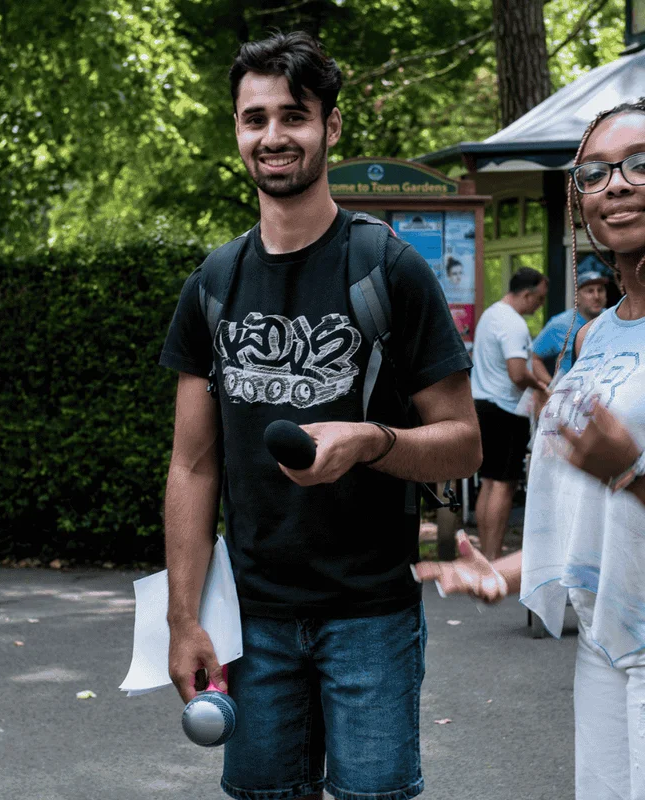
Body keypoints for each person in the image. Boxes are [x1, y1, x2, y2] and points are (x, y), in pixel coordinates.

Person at [159, 32, 481, 800]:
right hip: (252, 620)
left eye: (294, 116)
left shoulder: (388, 268)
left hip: (369, 614)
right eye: (254, 118)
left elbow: (463, 443)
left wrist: (373, 440)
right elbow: (192, 464)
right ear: (236, 130)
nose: (273, 137)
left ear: (331, 127)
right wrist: (183, 620)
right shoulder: (214, 281)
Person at [414, 99, 645, 800]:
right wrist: (509, 571)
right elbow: (591, 509)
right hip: (610, 641)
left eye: (640, 163)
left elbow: (621, 478)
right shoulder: (595, 336)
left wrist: (631, 472)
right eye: (596, 172)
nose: (617, 184)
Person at [470, 267, 549, 560]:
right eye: (539, 299)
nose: (539, 305)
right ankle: (493, 559)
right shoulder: (513, 323)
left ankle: (486, 558)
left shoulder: (491, 314)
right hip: (506, 409)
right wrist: (541, 386)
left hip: (483, 405)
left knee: (488, 483)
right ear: (526, 294)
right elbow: (517, 374)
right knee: (503, 486)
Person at [531, 270, 608, 378]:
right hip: (571, 392)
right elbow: (533, 358)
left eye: (600, 290)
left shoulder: (613, 320)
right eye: (590, 291)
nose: (596, 296)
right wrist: (550, 387)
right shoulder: (560, 324)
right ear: (577, 298)